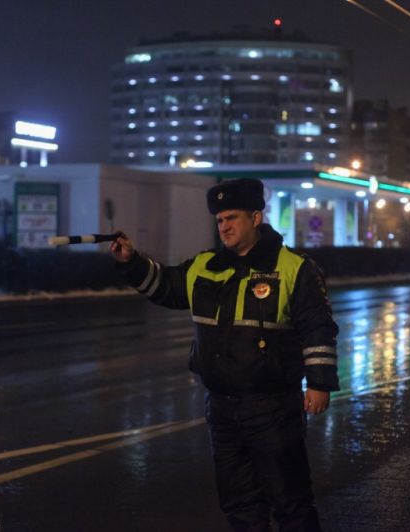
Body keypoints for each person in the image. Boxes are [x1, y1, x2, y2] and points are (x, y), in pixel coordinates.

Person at [110, 178, 339, 532]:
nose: (224, 226)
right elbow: (167, 287)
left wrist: (319, 383)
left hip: (273, 408)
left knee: (290, 501)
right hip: (222, 408)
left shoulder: (294, 268)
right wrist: (132, 262)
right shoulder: (205, 266)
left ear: (256, 217)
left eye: (232, 217)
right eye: (219, 220)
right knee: (239, 503)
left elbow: (317, 327)